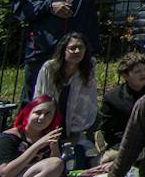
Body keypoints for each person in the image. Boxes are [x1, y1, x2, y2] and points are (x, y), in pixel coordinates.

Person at [30, 32, 99, 163]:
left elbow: (86, 103)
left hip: (73, 128)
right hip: (49, 123)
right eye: (73, 48)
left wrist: (73, 135)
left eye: (81, 47)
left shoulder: (87, 70)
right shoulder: (49, 68)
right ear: (64, 49)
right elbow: (40, 98)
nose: (77, 51)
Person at [96, 52, 145, 157]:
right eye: (137, 71)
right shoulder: (113, 98)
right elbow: (109, 131)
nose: (143, 74)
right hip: (125, 143)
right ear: (125, 75)